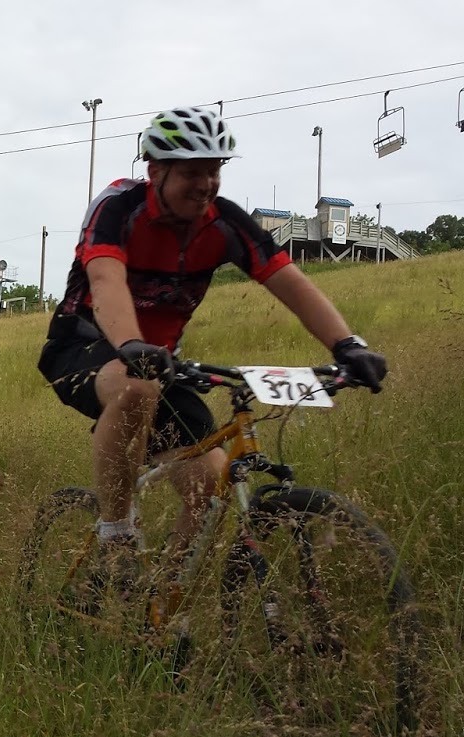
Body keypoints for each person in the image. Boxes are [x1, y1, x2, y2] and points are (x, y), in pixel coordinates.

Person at [36, 107, 388, 595]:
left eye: (214, 170)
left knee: (213, 489)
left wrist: (347, 345)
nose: (205, 184)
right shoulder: (118, 206)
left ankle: (160, 608)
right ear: (154, 170)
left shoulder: (224, 224)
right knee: (137, 386)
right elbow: (106, 278)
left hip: (156, 362)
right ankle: (115, 538)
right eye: (191, 172)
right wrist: (132, 344)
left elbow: (288, 279)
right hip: (83, 345)